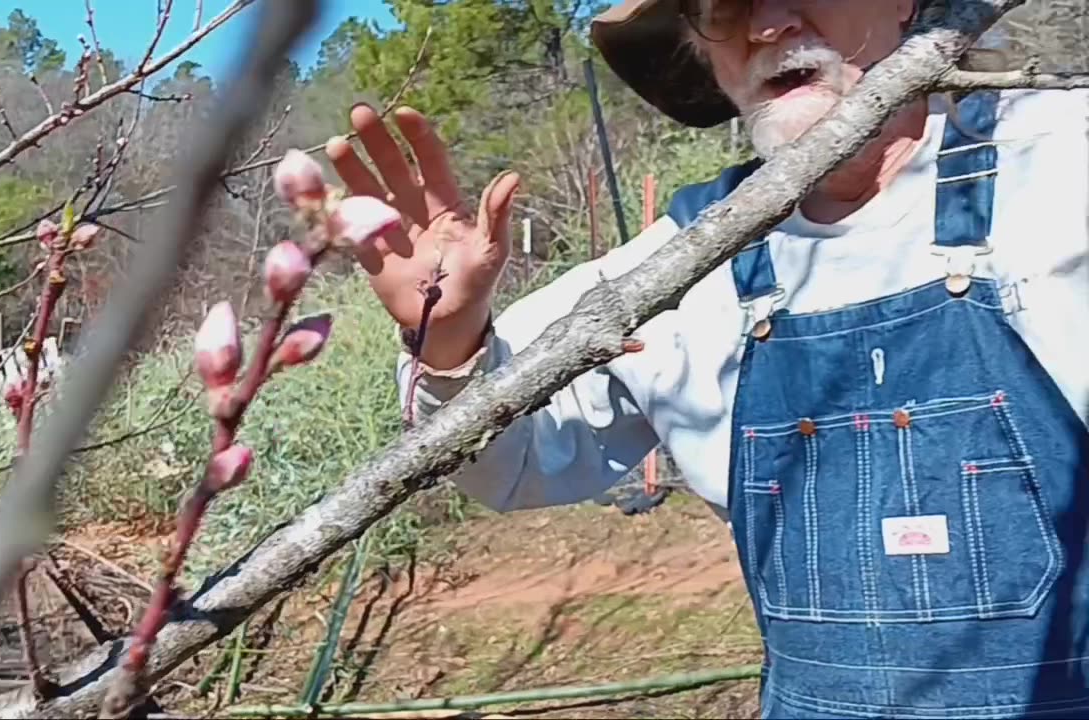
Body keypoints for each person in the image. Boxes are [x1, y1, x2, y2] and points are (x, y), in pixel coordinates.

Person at [323, 0, 1089, 716]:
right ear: (704, 55)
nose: (769, 24)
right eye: (722, 4)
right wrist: (448, 337)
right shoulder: (680, 267)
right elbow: (512, 462)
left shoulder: (1062, 166)